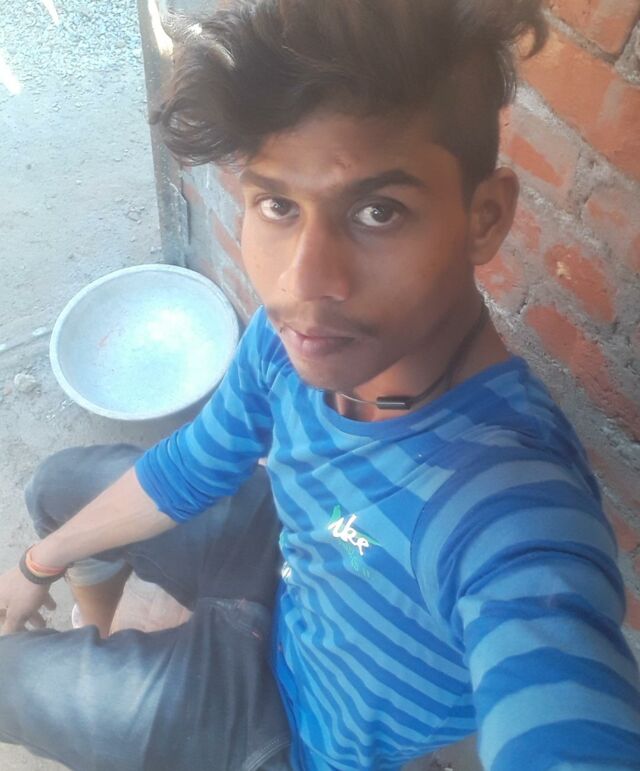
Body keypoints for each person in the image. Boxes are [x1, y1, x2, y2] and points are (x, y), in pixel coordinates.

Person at [1, 1, 639, 769]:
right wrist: (38, 563)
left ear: (485, 217)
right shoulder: (290, 341)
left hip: (291, 732)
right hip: (286, 563)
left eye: (377, 211)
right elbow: (195, 463)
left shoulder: (504, 507)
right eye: (278, 205)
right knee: (57, 490)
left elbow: (561, 701)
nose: (303, 283)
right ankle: (100, 631)